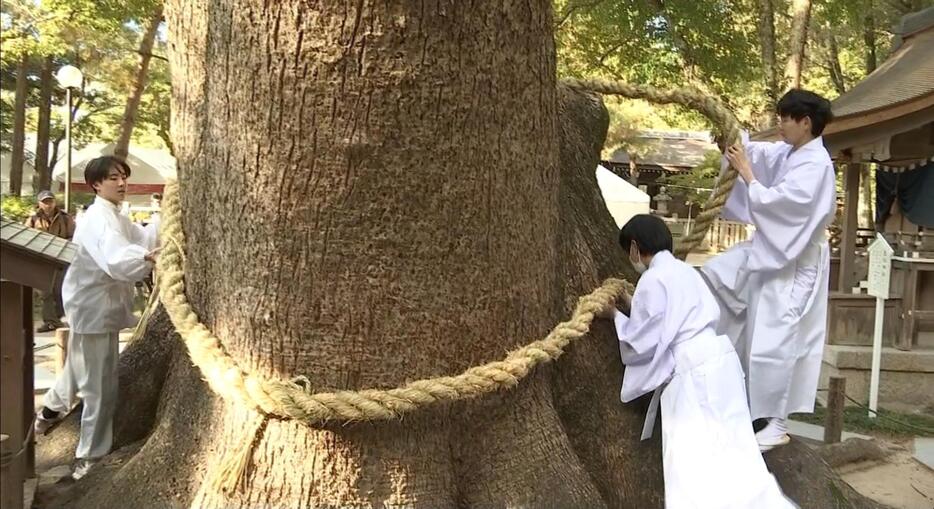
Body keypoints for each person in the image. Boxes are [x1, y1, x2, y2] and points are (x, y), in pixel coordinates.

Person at [611, 214, 795, 509]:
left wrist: (615, 316)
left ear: (635, 247)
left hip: (692, 373)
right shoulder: (685, 271)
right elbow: (670, 319)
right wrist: (632, 304)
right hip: (721, 362)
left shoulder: (652, 279)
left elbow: (645, 339)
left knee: (693, 461)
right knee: (736, 450)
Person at [700, 89, 836, 451]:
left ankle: (777, 423)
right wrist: (732, 143)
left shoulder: (817, 165)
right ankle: (743, 405)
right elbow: (759, 154)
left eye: (785, 119)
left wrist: (747, 174)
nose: (780, 125)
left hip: (795, 262)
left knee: (778, 341)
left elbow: (784, 205)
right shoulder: (794, 153)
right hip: (771, 255)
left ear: (805, 123)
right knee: (725, 293)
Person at [35, 156, 161, 480]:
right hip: (92, 309)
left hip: (95, 309)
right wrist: (146, 257)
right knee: (99, 387)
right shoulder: (98, 219)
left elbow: (141, 237)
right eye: (113, 178)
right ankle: (88, 459)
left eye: (123, 177)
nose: (121, 184)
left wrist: (164, 223)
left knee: (80, 368)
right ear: (96, 185)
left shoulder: (115, 215)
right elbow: (116, 257)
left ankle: (48, 411)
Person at [25, 190, 76, 332]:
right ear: (39, 204)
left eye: (50, 201)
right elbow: (26, 237)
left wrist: (61, 246)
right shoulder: (33, 219)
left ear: (55, 202)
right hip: (41, 260)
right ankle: (50, 321)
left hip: (61, 259)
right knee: (45, 292)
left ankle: (61, 318)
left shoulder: (66, 218)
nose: (48, 205)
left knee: (61, 290)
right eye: (45, 202)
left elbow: (74, 237)